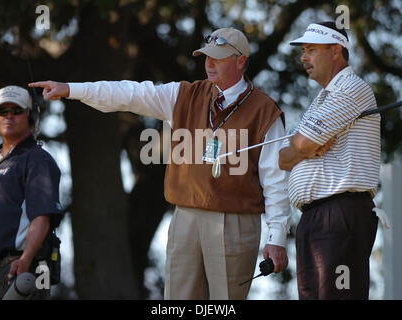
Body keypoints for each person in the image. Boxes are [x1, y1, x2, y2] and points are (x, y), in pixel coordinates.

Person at [30, 27, 291, 300]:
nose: (209, 63)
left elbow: (276, 181)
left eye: (219, 57)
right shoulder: (184, 95)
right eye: (206, 56)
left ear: (241, 61)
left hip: (236, 221)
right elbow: (128, 94)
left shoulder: (265, 111)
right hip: (185, 216)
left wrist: (277, 238)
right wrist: (72, 90)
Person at [279, 22, 381, 299]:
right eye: (303, 51)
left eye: (311, 50)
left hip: (340, 213)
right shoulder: (322, 98)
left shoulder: (350, 88)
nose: (303, 57)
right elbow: (283, 158)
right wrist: (303, 148)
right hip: (317, 218)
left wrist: (301, 147)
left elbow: (299, 144)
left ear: (336, 51)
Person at [0, 85, 63, 299]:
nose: (9, 116)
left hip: (16, 270)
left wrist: (26, 259)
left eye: (17, 110)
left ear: (29, 115)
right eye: (3, 111)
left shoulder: (37, 159)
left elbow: (41, 217)